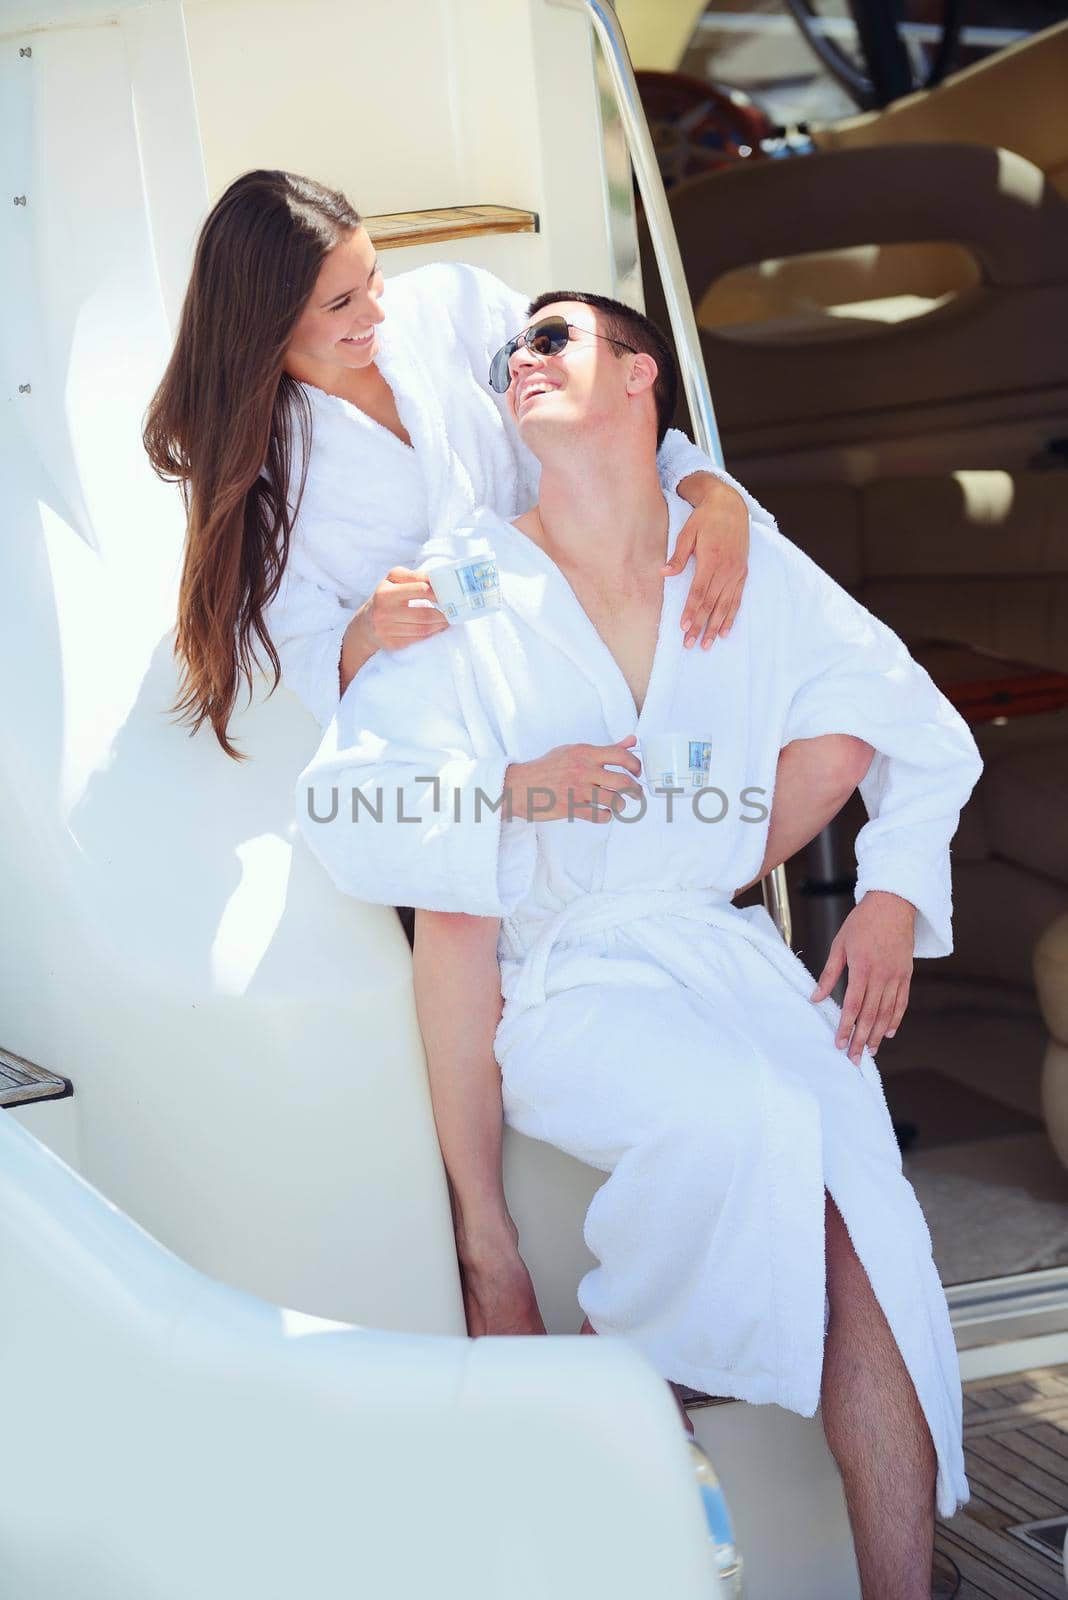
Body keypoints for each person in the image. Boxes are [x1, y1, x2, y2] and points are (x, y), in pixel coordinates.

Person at [295, 289, 984, 1596]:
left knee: (877, 1249)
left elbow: (909, 718)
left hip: (720, 958)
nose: (523, 362)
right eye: (511, 353)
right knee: (745, 1120)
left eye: (555, 339)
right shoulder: (470, 578)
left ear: (638, 382)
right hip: (563, 986)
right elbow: (346, 807)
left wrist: (891, 891)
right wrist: (519, 789)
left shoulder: (729, 556)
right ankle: (633, 1378)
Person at [143, 170, 865, 1342]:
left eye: (372, 277)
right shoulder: (259, 462)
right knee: (459, 886)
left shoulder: (455, 310)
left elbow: (602, 405)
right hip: (448, 710)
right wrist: (371, 629)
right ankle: (488, 1239)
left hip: (586, 646)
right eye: (339, 307)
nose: (375, 314)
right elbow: (294, 655)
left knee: (763, 758)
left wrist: (710, 489)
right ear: (264, 326)